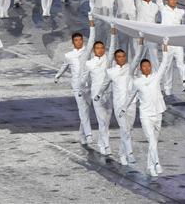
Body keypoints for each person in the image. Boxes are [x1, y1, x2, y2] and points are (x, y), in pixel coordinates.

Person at [127, 38, 172, 176]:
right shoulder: (137, 82)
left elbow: (164, 64)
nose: (146, 68)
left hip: (158, 112)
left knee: (154, 142)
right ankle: (157, 164)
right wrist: (124, 108)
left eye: (148, 66)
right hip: (145, 115)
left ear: (150, 67)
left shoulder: (156, 77)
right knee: (151, 140)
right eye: (144, 66)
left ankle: (149, 166)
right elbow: (131, 96)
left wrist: (165, 46)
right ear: (140, 68)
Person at [54, 15, 96, 145]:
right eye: (76, 40)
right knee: (82, 110)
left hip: (88, 85)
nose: (79, 42)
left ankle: (82, 136)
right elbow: (64, 67)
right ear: (73, 42)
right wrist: (57, 76)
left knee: (86, 110)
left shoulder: (87, 52)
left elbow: (93, 38)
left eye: (80, 40)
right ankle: (88, 134)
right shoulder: (69, 55)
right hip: (77, 86)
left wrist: (91, 23)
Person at [95, 41, 137, 166]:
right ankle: (128, 154)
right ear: (115, 59)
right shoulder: (111, 72)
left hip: (131, 104)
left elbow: (138, 56)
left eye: (123, 56)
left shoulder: (131, 68)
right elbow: (104, 84)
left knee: (129, 130)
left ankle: (122, 153)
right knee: (124, 129)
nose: (121, 58)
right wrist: (98, 94)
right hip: (119, 105)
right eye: (119, 57)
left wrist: (140, 41)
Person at [87, 26, 118, 156]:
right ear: (94, 51)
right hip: (96, 95)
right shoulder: (89, 63)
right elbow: (86, 80)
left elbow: (112, 49)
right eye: (97, 48)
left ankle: (101, 142)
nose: (100, 50)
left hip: (108, 94)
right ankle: (106, 145)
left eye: (102, 48)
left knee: (107, 120)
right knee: (102, 121)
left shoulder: (108, 61)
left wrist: (112, 33)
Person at [160, 0, 185, 94]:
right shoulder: (163, 9)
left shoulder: (181, 12)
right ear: (167, 1)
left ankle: (184, 82)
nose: (172, 1)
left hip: (177, 41)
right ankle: (167, 88)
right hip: (167, 42)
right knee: (167, 66)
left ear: (176, 0)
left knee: (181, 63)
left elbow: (182, 25)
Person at [134, 0, 160, 65]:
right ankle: (136, 73)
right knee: (139, 55)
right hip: (140, 33)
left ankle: (156, 74)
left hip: (151, 34)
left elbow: (156, 19)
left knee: (154, 55)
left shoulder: (155, 6)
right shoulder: (139, 4)